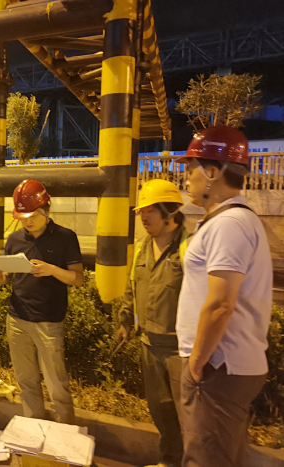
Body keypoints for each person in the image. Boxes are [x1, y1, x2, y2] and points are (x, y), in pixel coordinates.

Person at [175, 126, 272, 467]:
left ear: (213, 173)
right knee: (221, 455)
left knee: (205, 458)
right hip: (221, 364)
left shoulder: (229, 224)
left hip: (218, 366)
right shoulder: (228, 221)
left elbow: (220, 304)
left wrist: (197, 362)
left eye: (191, 169)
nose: (185, 178)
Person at [0, 179, 84, 424]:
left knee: (57, 385)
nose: (27, 221)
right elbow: (11, 277)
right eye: (23, 217)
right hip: (17, 319)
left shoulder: (65, 237)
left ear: (46, 209)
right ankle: (33, 432)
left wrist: (52, 270)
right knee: (26, 382)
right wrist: (1, 277)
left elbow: (78, 279)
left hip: (49, 322)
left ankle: (64, 437)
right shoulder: (14, 239)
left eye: (32, 215)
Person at [117, 179, 188, 467]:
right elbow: (132, 288)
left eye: (151, 211)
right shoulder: (143, 248)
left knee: (188, 415)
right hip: (149, 344)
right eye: (142, 212)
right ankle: (169, 461)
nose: (144, 217)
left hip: (180, 350)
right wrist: (126, 322)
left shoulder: (189, 247)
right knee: (161, 411)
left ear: (170, 212)